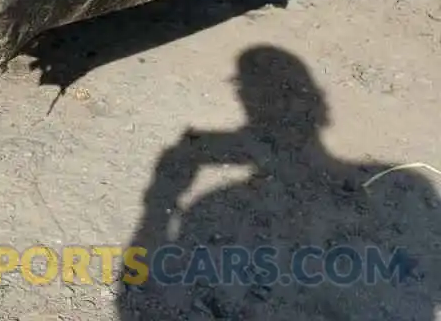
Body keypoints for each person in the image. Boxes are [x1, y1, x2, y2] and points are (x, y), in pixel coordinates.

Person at [118, 45, 440, 320]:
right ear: (320, 105)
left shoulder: (211, 205)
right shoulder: (411, 184)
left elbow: (131, 292)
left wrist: (159, 203)